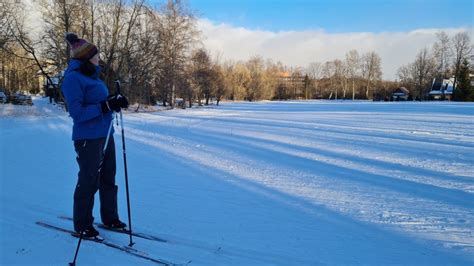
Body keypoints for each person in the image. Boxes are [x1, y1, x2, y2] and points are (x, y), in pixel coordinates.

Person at [61, 33, 129, 238]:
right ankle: (82, 224)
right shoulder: (73, 79)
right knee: (89, 180)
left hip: (106, 133)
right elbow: (78, 113)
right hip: (87, 138)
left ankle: (110, 218)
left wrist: (114, 100)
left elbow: (100, 103)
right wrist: (105, 105)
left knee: (108, 177)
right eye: (96, 54)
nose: (99, 57)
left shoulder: (93, 76)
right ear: (86, 57)